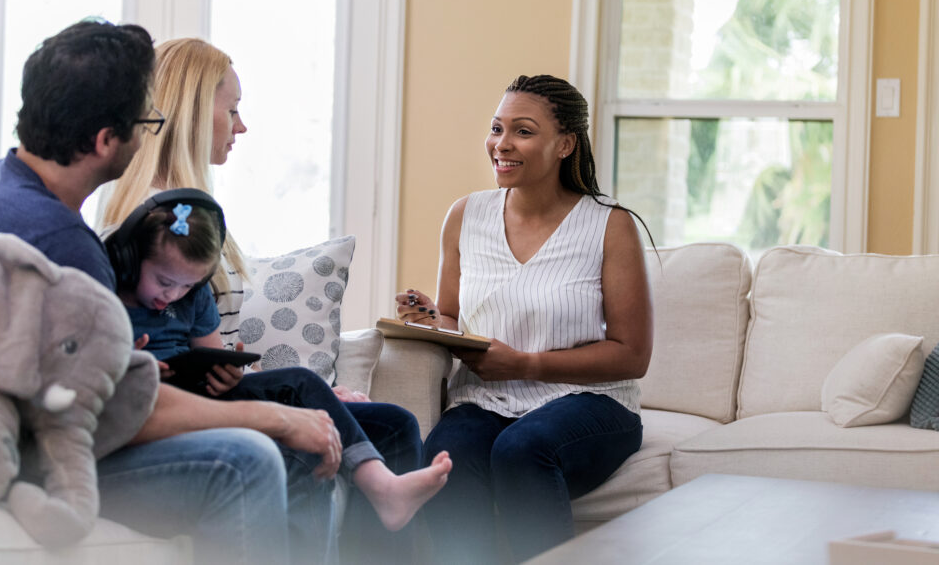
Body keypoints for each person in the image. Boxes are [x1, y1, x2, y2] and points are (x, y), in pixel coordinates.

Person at [0, 19, 343, 565]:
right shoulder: (60, 242)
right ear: (105, 141)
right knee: (245, 458)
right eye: (143, 121)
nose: (150, 132)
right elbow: (120, 408)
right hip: (25, 450)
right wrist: (276, 418)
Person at [98, 37, 435, 563]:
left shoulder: (200, 223)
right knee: (313, 428)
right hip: (173, 407)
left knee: (394, 425)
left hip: (211, 391)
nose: (241, 125)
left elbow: (217, 350)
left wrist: (314, 400)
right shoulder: (142, 235)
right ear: (190, 113)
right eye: (231, 109)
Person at [396, 74, 654, 564]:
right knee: (445, 459)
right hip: (485, 397)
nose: (501, 144)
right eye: (497, 128)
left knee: (521, 449)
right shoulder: (465, 215)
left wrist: (528, 365)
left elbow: (633, 354)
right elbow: (453, 317)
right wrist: (429, 319)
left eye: (523, 131)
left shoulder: (610, 225)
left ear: (565, 145)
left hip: (591, 402)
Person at [110, 193, 451, 531]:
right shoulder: (107, 290)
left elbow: (209, 350)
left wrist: (227, 374)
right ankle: (381, 486)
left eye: (185, 286)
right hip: (148, 399)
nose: (171, 295)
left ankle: (380, 482)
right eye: (164, 282)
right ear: (131, 259)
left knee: (300, 381)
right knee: (307, 441)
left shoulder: (193, 294)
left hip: (199, 393)